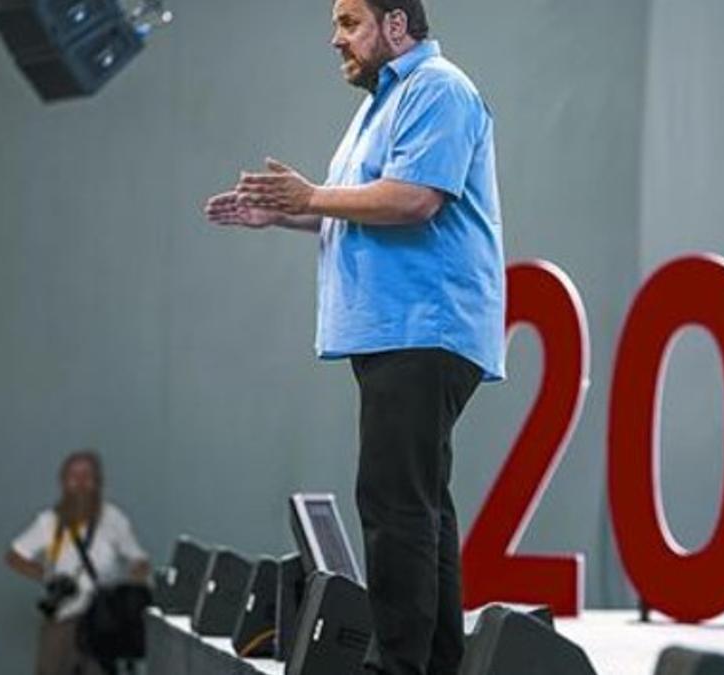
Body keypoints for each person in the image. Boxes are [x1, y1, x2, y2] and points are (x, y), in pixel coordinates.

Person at [203, 1, 505, 673]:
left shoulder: (438, 89)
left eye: (349, 22)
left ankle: (397, 665)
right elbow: (358, 206)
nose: (334, 37)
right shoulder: (381, 105)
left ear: (396, 25)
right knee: (422, 504)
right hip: (396, 331)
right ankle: (433, 662)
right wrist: (285, 213)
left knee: (394, 503)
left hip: (422, 327)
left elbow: (415, 198)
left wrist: (309, 197)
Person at [5, 450, 150, 675]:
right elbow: (14, 557)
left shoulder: (113, 519)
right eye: (74, 476)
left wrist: (122, 587)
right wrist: (48, 577)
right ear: (63, 482)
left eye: (87, 476)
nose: (80, 483)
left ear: (97, 482)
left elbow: (140, 561)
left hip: (103, 622)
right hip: (64, 618)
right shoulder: (49, 522)